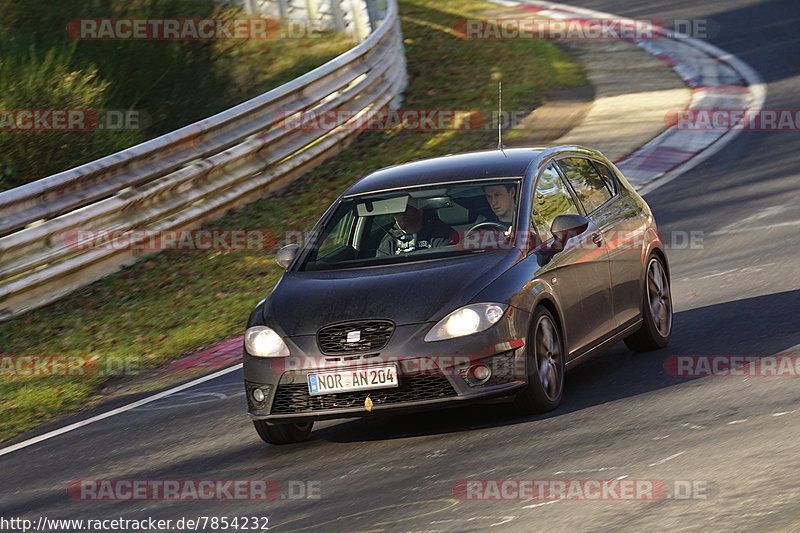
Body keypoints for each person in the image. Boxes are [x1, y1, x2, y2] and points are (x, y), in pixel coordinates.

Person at [376, 197, 456, 256]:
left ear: (419, 211)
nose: (400, 214)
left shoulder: (441, 235)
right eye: (396, 212)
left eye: (405, 209)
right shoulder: (389, 241)